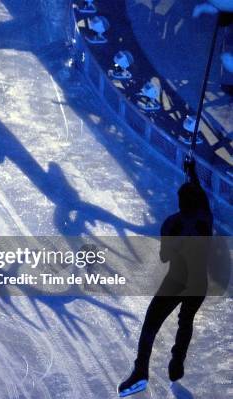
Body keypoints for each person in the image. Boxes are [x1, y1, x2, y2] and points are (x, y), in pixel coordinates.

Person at [118, 157, 213, 397]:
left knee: (151, 323)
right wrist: (191, 170)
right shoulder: (205, 215)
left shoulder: (172, 223)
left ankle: (140, 371)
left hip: (177, 281)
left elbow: (164, 257)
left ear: (179, 203)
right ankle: (177, 362)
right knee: (186, 320)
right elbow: (199, 192)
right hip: (199, 282)